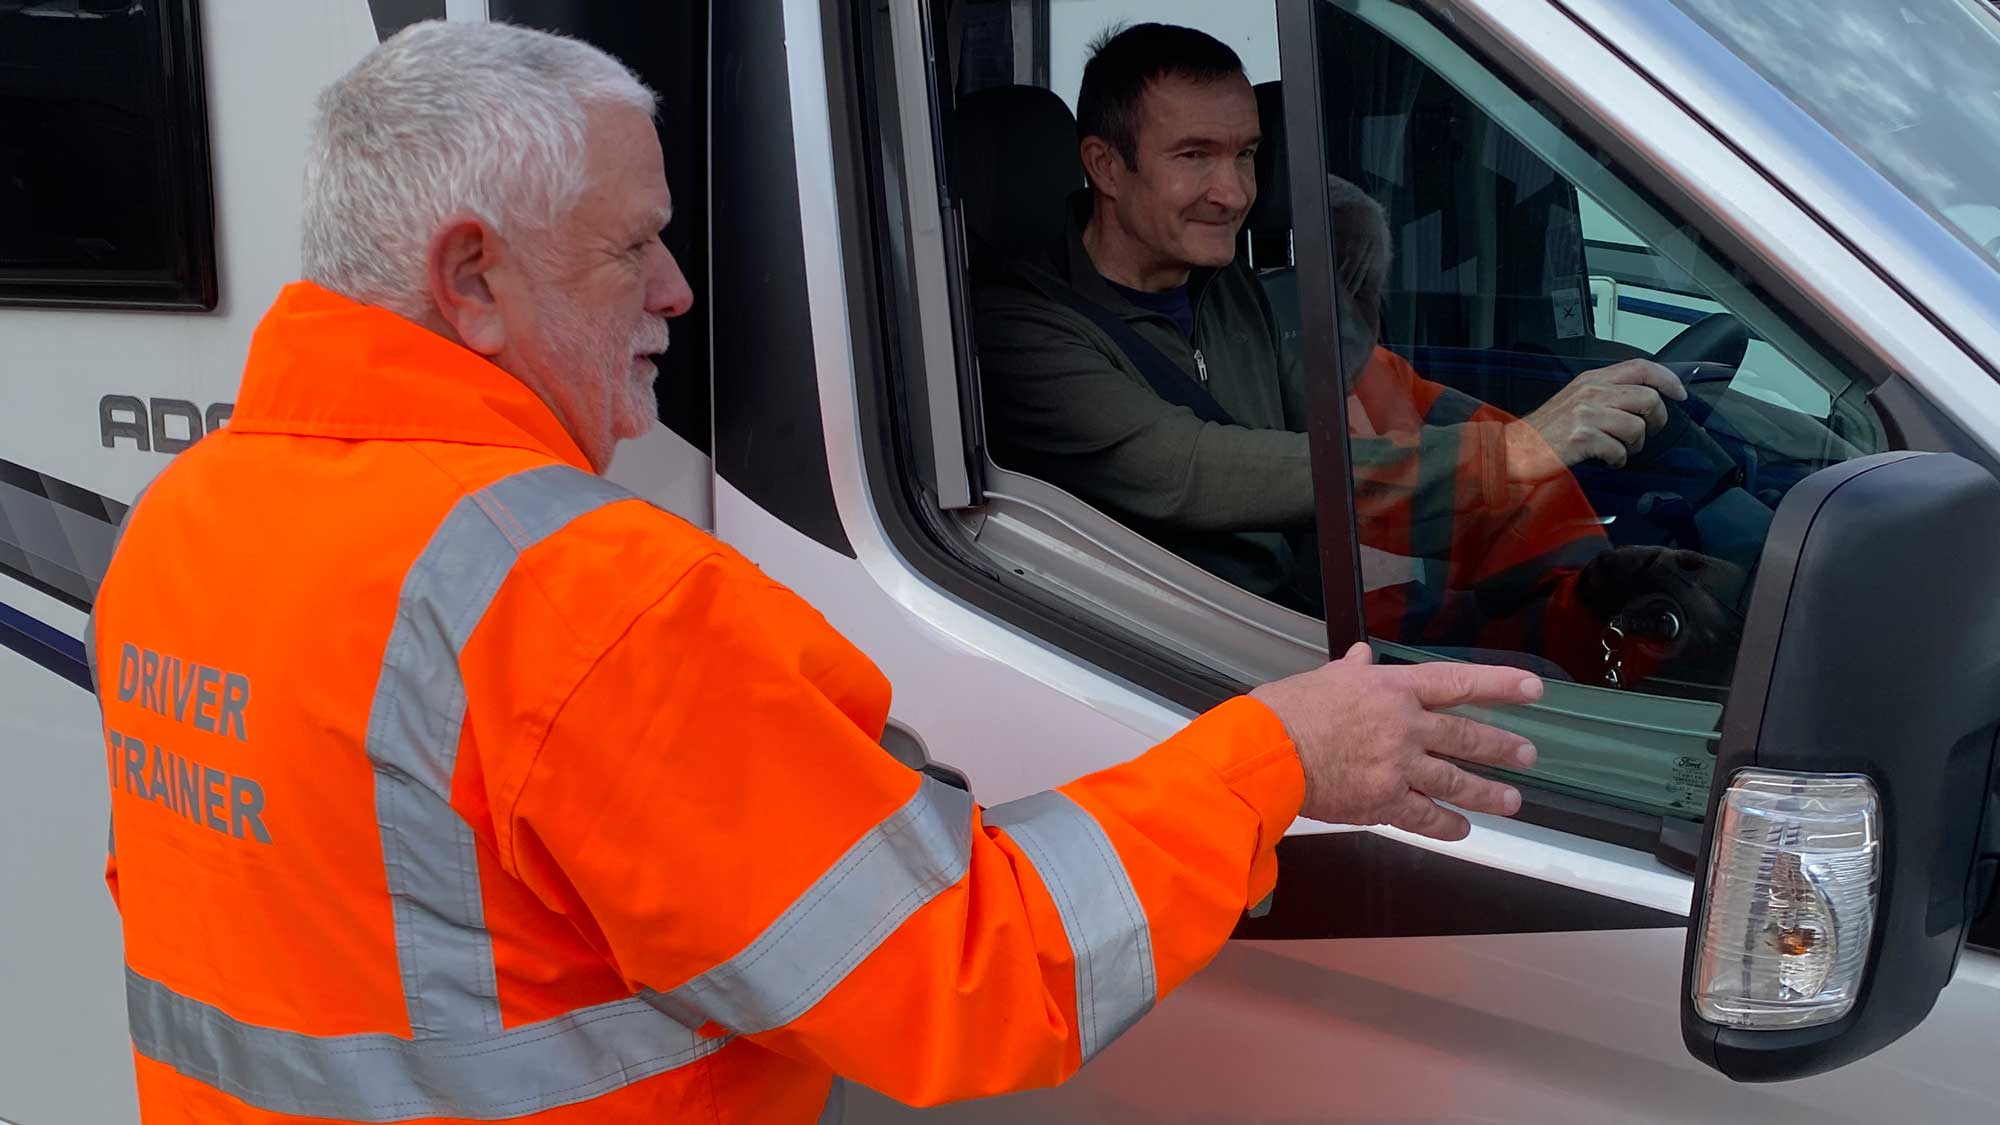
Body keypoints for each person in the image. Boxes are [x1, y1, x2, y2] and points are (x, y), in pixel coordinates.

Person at [88, 21, 1545, 1124]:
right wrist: (1276, 759)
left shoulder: (190, 518)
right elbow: (969, 976)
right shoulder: (589, 599)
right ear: (471, 278)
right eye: (636, 247)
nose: (676, 291)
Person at [974, 22, 1742, 684]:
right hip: (1163, 667)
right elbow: (1191, 470)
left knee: (1555, 665)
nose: (1234, 192)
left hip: (1291, 630)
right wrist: (1509, 451)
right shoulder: (1022, 326)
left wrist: (1583, 588)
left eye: (1246, 155)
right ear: (1106, 166)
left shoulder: (1238, 291)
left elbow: (1365, 450)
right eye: (1195, 156)